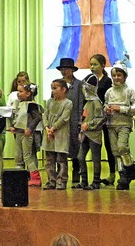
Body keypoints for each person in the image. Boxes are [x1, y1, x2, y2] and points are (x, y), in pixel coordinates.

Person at [104, 62, 135, 190]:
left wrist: (121, 108)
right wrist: (106, 109)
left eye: (119, 75)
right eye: (114, 75)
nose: (116, 77)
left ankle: (130, 170)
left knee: (122, 147)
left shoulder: (129, 91)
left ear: (125, 76)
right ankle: (122, 176)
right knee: (115, 152)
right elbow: (105, 105)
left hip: (124, 124)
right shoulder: (109, 92)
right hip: (111, 124)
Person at [89, 54, 117, 185]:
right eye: (91, 64)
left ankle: (112, 174)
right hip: (92, 117)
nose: (92, 67)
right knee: (94, 146)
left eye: (95, 64)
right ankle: (95, 175)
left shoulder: (107, 81)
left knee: (109, 145)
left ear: (102, 65)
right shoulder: (89, 80)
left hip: (105, 118)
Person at [56, 58, 84, 186]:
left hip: (73, 121)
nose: (64, 71)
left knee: (75, 148)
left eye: (66, 69)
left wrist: (80, 121)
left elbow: (80, 104)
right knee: (60, 149)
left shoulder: (79, 84)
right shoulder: (57, 85)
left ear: (72, 70)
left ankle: (76, 175)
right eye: (62, 69)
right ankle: (60, 176)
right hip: (60, 122)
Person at [8, 83, 42, 186]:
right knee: (18, 156)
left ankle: (35, 177)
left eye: (21, 91)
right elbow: (17, 117)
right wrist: (13, 126)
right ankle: (19, 176)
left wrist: (30, 128)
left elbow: (37, 117)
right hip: (18, 133)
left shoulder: (31, 105)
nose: (18, 94)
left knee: (27, 156)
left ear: (28, 94)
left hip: (26, 134)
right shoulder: (19, 103)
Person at [75, 74, 105, 190]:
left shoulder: (96, 103)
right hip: (85, 134)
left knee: (95, 158)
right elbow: (83, 118)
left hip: (94, 135)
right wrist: (81, 130)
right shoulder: (87, 103)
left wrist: (89, 124)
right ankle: (84, 181)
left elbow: (100, 118)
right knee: (80, 157)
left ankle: (96, 181)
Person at [42, 79, 72, 190]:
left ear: (64, 89)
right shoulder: (49, 102)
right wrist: (47, 128)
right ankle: (51, 180)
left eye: (55, 88)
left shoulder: (68, 103)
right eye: (52, 88)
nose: (53, 91)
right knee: (49, 159)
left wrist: (53, 128)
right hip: (49, 134)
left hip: (60, 134)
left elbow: (64, 118)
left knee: (61, 159)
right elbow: (45, 115)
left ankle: (61, 180)